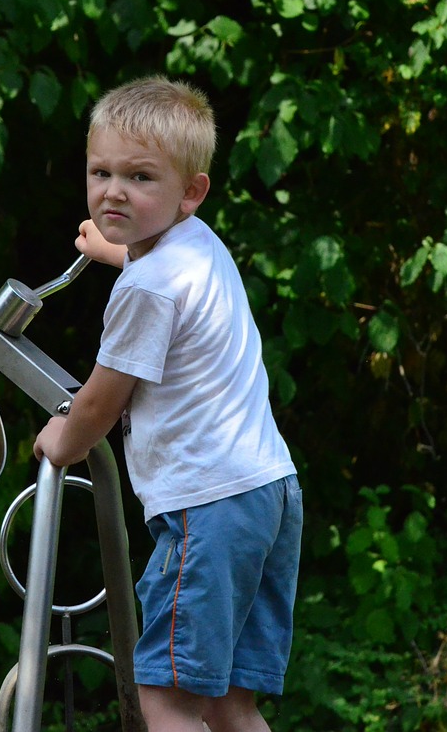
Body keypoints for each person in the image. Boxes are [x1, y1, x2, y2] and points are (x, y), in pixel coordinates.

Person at [33, 75, 302, 732]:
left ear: (191, 191)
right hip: (268, 489)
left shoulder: (147, 285)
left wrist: (60, 441)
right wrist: (112, 250)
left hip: (206, 504)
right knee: (230, 701)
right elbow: (157, 268)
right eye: (101, 172)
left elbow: (101, 399)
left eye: (140, 177)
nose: (114, 191)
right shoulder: (195, 247)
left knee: (164, 696)